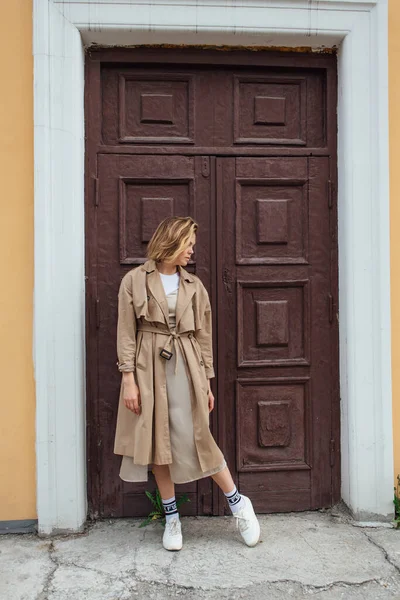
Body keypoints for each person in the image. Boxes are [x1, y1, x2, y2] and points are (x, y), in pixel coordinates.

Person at [114, 216, 260, 551]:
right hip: (147, 366)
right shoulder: (134, 281)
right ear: (172, 242)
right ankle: (172, 519)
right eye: (188, 244)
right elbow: (126, 331)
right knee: (156, 442)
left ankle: (238, 504)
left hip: (187, 364)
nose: (192, 251)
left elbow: (204, 336)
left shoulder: (194, 286)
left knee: (198, 437)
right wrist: (128, 379)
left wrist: (207, 382)